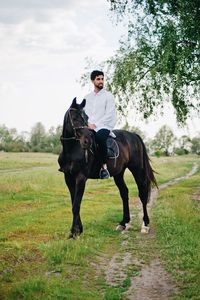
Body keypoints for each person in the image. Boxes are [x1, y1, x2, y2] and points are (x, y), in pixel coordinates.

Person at [84, 70, 117, 179]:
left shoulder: (109, 96)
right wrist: (88, 124)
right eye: (98, 79)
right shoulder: (87, 97)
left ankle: (104, 167)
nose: (101, 81)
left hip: (104, 126)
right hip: (89, 126)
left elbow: (110, 115)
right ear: (93, 81)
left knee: (99, 138)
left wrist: (96, 125)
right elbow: (84, 114)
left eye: (102, 79)